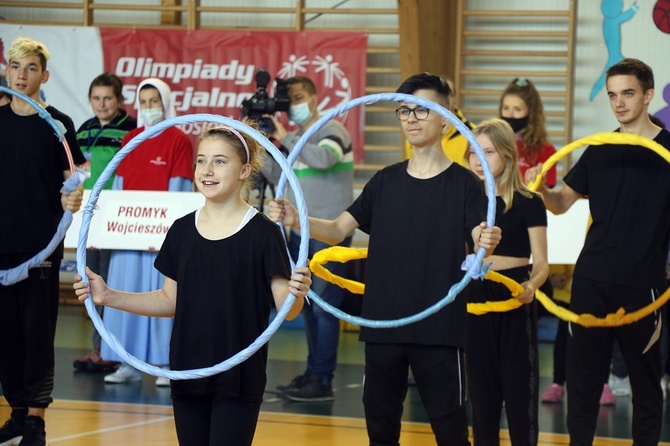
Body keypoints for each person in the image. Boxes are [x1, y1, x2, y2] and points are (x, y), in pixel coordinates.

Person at [270, 72, 502, 445]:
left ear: (447, 116)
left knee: (450, 430)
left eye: (422, 110)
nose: (411, 118)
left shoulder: (465, 184)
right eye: (404, 110)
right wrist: (298, 219)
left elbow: (479, 237)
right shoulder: (385, 181)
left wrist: (486, 240)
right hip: (382, 326)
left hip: (439, 328)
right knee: (380, 429)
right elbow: (338, 230)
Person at [74, 125, 312, 446]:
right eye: (201, 161)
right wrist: (109, 296)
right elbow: (169, 299)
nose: (207, 170)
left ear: (244, 171)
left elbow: (289, 309)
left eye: (219, 161)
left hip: (238, 377)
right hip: (187, 372)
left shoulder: (263, 233)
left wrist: (298, 292)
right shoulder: (181, 231)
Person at [527, 58, 670, 446]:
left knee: (645, 384)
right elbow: (559, 204)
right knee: (585, 383)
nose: (619, 103)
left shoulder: (668, 151)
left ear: (648, 95)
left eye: (627, 93)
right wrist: (539, 188)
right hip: (591, 281)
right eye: (612, 95)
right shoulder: (601, 148)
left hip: (644, 285)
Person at [0, 36, 85, 446]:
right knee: (6, 334)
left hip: (40, 248)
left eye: (31, 68)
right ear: (6, 70)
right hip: (0, 247)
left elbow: (74, 182)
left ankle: (36, 418)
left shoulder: (59, 124)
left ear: (44, 75)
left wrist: (74, 195)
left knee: (37, 332)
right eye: (16, 67)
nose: (22, 75)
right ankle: (16, 413)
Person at [260, 76, 354, 402]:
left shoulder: (332, 130)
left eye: (300, 97)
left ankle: (323, 380)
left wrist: (285, 137)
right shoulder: (294, 139)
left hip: (329, 232)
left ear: (314, 98)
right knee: (310, 308)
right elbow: (275, 177)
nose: (294, 105)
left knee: (325, 309)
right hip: (300, 233)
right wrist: (266, 146)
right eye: (290, 99)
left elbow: (324, 159)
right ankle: (313, 372)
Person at [100, 78, 194, 387]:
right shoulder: (131, 138)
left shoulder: (178, 139)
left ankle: (164, 363)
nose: (150, 107)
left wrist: (169, 234)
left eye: (155, 101)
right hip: (128, 236)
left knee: (161, 297)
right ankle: (127, 362)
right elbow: (118, 188)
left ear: (166, 103)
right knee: (125, 296)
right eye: (145, 102)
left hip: (159, 238)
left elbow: (179, 192)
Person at [464, 118, 548, 446]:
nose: (478, 160)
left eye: (487, 152)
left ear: (507, 156)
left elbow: (540, 262)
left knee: (519, 393)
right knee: (482, 396)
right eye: (473, 152)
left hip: (515, 293)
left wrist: (531, 286)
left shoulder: (529, 202)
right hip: (475, 295)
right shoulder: (468, 202)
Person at [73, 72, 137, 373]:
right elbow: (76, 171)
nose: (102, 104)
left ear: (120, 100)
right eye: (96, 98)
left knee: (115, 285)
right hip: (89, 218)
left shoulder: (131, 130)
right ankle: (99, 350)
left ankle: (119, 351)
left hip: (119, 219)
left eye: (107, 98)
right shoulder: (83, 130)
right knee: (91, 282)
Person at [498, 77, 557, 188]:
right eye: (505, 108)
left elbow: (547, 193)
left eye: (518, 109)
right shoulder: (492, 142)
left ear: (531, 112)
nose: (509, 115)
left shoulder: (545, 149)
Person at [404, 76, 475, 166]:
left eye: (447, 93)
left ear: (455, 100)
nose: (443, 97)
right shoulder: (415, 133)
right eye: (438, 93)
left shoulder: (472, 134)